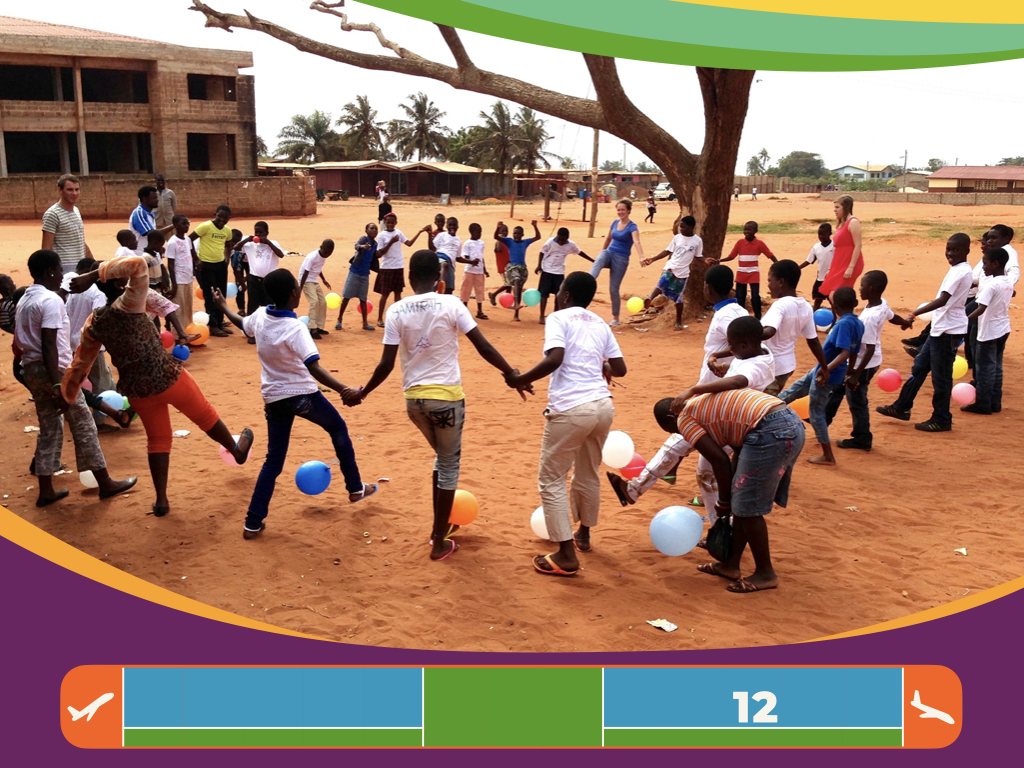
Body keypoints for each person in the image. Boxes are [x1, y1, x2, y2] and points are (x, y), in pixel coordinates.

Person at [348, 250, 525, 561]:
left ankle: (438, 528)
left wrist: (363, 392)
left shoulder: (396, 310)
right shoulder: (452, 304)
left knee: (441, 460)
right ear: (439, 278)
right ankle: (439, 539)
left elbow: (386, 365)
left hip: (414, 402)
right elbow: (482, 345)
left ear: (409, 277)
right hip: (446, 400)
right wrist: (511, 374)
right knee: (448, 465)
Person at [63, 254, 254, 518]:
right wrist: (94, 274)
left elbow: (81, 363)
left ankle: (162, 500)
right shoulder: (130, 302)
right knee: (205, 415)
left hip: (137, 389)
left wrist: (68, 394)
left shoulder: (95, 322)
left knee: (158, 440)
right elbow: (138, 265)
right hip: (167, 376)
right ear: (120, 284)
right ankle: (236, 450)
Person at [212, 273, 378, 539]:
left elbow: (242, 323)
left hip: (274, 398)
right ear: (293, 293)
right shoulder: (296, 328)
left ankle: (252, 522)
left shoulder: (261, 315)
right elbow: (314, 367)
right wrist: (343, 390)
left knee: (273, 461)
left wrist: (223, 306)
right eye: (297, 288)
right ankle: (355, 487)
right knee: (337, 428)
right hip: (302, 396)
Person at [505, 272, 626, 577]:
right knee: (588, 471)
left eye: (560, 290)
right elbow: (620, 368)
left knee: (551, 478)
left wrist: (520, 379)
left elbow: (555, 358)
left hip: (572, 408)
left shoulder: (558, 318)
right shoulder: (600, 323)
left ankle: (566, 554)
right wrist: (600, 364)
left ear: (567, 295)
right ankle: (583, 534)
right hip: (602, 406)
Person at [608, 315, 773, 517]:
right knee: (680, 450)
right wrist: (721, 361)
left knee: (706, 474)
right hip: (716, 417)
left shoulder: (756, 367)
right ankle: (634, 490)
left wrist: (694, 389)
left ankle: (722, 525)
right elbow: (738, 366)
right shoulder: (757, 351)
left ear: (744, 345)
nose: (730, 349)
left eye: (732, 345)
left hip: (729, 425)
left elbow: (739, 380)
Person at [17, 250, 137, 507]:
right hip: (55, 371)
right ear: (50, 271)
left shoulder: (26, 299)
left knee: (49, 428)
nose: (62, 275)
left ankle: (46, 489)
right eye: (59, 270)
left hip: (31, 369)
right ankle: (105, 482)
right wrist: (58, 382)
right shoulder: (50, 301)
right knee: (84, 424)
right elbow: (49, 344)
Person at [670, 388, 803, 594]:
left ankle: (766, 573)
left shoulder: (684, 419)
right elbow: (738, 448)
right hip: (787, 422)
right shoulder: (705, 407)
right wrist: (732, 494)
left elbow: (719, 460)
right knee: (741, 502)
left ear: (670, 419)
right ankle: (730, 565)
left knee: (748, 507)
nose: (679, 435)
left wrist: (723, 502)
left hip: (770, 431)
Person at [877, 233, 973, 433]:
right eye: (948, 249)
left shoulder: (961, 271)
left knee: (941, 378)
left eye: (955, 250)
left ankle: (941, 419)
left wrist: (914, 313)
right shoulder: (957, 269)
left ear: (967, 250)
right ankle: (902, 407)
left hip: (948, 331)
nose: (950, 253)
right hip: (940, 329)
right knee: (919, 367)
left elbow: (943, 300)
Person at [824, 270, 910, 451]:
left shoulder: (870, 318)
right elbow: (892, 316)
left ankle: (862, 438)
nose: (859, 288)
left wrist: (855, 374)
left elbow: (869, 348)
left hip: (864, 364)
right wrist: (904, 322)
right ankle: (823, 420)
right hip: (863, 361)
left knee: (856, 400)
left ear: (872, 288)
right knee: (838, 389)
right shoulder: (880, 303)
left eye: (862, 285)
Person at [778, 287, 863, 466]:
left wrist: (826, 370)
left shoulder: (843, 324)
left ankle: (828, 455)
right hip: (824, 371)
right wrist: (849, 373)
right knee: (791, 392)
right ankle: (766, 415)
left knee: (816, 412)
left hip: (826, 374)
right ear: (855, 303)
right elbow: (853, 352)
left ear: (834, 307)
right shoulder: (858, 323)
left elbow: (845, 352)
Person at [760, 259, 828, 396]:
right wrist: (824, 367)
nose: (768, 285)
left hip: (772, 366)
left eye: (770, 280)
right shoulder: (806, 306)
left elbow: (769, 331)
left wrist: (744, 333)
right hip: (787, 365)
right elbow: (813, 340)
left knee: (760, 403)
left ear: (781, 282)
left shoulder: (780, 305)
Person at [965, 247, 1012, 414]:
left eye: (985, 263)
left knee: (985, 368)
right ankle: (995, 402)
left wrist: (965, 320)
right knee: (997, 367)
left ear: (995, 263)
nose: (983, 267)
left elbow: (980, 308)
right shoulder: (1007, 282)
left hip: (989, 331)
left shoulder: (991, 285)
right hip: (1003, 328)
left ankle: (983, 403)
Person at [641, 215, 703, 330]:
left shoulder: (697, 241)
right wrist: (653, 259)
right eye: (680, 226)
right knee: (662, 282)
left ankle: (678, 321)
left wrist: (706, 260)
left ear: (691, 227)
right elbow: (667, 251)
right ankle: (650, 298)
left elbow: (699, 256)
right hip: (671, 266)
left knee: (679, 299)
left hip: (683, 272)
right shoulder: (677, 238)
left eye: (683, 227)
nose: (681, 229)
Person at [590, 199, 644, 325]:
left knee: (613, 289)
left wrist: (641, 257)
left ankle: (616, 318)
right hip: (609, 252)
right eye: (618, 210)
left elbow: (637, 242)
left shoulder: (632, 227)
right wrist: (602, 252)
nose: (620, 212)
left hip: (621, 258)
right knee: (601, 257)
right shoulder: (614, 223)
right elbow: (608, 238)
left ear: (628, 211)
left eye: (623, 210)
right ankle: (588, 281)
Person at [374, 213, 427, 328]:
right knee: (385, 294)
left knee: (398, 293)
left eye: (392, 222)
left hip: (398, 266)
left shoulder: (398, 232)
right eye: (388, 222)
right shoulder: (381, 235)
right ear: (384, 223)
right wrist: (391, 242)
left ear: (396, 223)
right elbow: (379, 254)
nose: (390, 225)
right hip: (387, 267)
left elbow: (409, 243)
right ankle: (380, 318)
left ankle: (398, 318)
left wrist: (419, 232)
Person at [717, 221, 775, 319]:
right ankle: (741, 317)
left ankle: (758, 317)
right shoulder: (740, 243)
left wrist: (778, 265)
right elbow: (731, 256)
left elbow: (770, 255)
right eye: (745, 230)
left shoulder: (759, 244)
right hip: (741, 273)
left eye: (749, 230)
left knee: (755, 296)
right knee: (740, 296)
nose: (746, 232)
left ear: (755, 231)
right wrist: (719, 260)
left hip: (753, 273)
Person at [535, 227, 593, 325]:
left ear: (567, 238)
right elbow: (542, 252)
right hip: (547, 270)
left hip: (559, 272)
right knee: (544, 294)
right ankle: (541, 316)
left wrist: (592, 260)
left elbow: (579, 252)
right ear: (557, 236)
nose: (561, 242)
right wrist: (539, 265)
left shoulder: (571, 245)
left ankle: (555, 315)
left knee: (558, 295)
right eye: (559, 239)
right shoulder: (550, 242)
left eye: (563, 240)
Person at [190, 205, 232, 337]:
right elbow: (189, 240)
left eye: (225, 218)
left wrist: (226, 260)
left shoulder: (227, 230)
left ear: (229, 218)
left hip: (220, 266)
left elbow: (228, 245)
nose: (222, 220)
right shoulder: (205, 226)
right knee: (210, 296)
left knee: (221, 295)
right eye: (220, 216)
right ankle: (213, 326)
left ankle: (220, 323)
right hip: (206, 265)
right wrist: (196, 259)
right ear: (215, 214)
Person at [42, 174, 93, 273]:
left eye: (77, 189)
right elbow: (46, 249)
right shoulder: (52, 214)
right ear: (60, 190)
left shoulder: (76, 211)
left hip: (80, 266)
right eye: (70, 190)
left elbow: (79, 240)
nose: (74, 193)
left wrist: (92, 262)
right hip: (63, 268)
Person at [496, 220, 542, 322]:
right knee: (516, 280)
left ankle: (516, 314)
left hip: (522, 268)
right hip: (512, 267)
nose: (516, 235)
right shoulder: (509, 241)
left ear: (522, 235)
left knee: (519, 288)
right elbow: (496, 237)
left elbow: (538, 237)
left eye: (518, 234)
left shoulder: (525, 242)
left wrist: (535, 226)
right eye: (514, 233)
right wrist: (498, 227)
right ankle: (516, 303)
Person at [239, 222, 286, 319]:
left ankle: (267, 323)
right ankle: (250, 325)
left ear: (267, 233)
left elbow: (281, 254)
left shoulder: (273, 243)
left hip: (269, 280)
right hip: (254, 279)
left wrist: (268, 243)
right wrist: (247, 239)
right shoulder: (250, 245)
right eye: (256, 232)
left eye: (261, 233)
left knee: (268, 304)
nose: (259, 235)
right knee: (252, 304)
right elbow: (236, 247)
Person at [820, 195, 864, 296]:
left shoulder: (853, 222)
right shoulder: (843, 224)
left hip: (849, 263)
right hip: (839, 263)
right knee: (833, 294)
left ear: (845, 207)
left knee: (836, 295)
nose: (835, 210)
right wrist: (830, 268)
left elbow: (858, 246)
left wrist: (851, 267)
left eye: (837, 207)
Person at [338, 224, 377, 332]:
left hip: (365, 274)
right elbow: (357, 246)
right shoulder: (364, 239)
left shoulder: (375, 244)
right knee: (346, 297)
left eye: (376, 229)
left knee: (363, 299)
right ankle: (339, 319)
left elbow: (376, 255)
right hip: (354, 272)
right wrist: (363, 246)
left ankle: (365, 323)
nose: (374, 230)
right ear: (366, 231)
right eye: (372, 228)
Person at [298, 239, 334, 339]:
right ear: (321, 247)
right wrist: (300, 288)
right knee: (314, 301)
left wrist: (324, 280)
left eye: (329, 253)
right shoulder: (312, 257)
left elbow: (318, 269)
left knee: (322, 302)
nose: (327, 255)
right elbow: (305, 272)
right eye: (326, 252)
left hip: (314, 280)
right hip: (306, 280)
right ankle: (312, 328)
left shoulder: (323, 256)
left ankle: (319, 326)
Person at [166, 214, 197, 326]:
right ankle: (177, 333)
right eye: (183, 223)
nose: (186, 226)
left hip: (188, 278)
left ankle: (188, 328)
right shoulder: (172, 242)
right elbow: (170, 265)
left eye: (187, 223)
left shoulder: (188, 240)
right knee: (179, 308)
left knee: (188, 307)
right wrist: (174, 285)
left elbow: (192, 255)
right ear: (175, 225)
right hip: (178, 280)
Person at [798, 223, 835, 313]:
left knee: (833, 302)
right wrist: (798, 267)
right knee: (817, 300)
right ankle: (814, 318)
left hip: (831, 279)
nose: (821, 237)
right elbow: (809, 260)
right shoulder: (816, 247)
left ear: (830, 233)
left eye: (824, 234)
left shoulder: (835, 246)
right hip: (820, 279)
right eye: (819, 234)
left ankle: (835, 319)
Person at [458, 223, 490, 320]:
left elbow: (482, 257)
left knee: (479, 291)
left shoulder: (481, 243)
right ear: (471, 232)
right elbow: (466, 256)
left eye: (480, 232)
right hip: (469, 270)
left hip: (479, 271)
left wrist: (484, 269)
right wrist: (472, 262)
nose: (479, 234)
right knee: (466, 290)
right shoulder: (468, 243)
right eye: (477, 232)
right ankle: (464, 309)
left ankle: (479, 311)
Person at [130, 185, 173, 256]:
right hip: (141, 254)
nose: (157, 200)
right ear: (145, 199)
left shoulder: (149, 214)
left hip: (148, 253)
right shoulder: (139, 213)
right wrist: (173, 226)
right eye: (154, 198)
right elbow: (152, 234)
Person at [428, 216, 460, 295]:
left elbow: (458, 258)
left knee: (449, 290)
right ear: (447, 226)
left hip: (451, 264)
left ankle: (440, 286)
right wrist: (429, 235)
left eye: (454, 225)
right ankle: (440, 282)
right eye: (450, 225)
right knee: (444, 264)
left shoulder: (459, 241)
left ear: (457, 227)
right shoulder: (441, 235)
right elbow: (432, 248)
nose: (452, 227)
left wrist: (471, 261)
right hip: (439, 257)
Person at [487, 223, 513, 306]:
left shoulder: (506, 242)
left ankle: (508, 302)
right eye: (502, 231)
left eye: (506, 231)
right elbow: (498, 249)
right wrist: (500, 238)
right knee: (507, 284)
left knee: (509, 285)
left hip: (509, 266)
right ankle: (493, 294)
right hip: (503, 267)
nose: (504, 233)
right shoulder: (499, 242)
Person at [227, 228, 247, 319]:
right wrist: (241, 282)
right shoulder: (231, 249)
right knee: (239, 285)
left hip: (250, 261)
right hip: (239, 260)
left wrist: (245, 279)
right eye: (232, 243)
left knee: (252, 283)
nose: (233, 245)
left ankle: (253, 309)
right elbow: (236, 270)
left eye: (235, 243)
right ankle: (241, 309)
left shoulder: (247, 246)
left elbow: (254, 270)